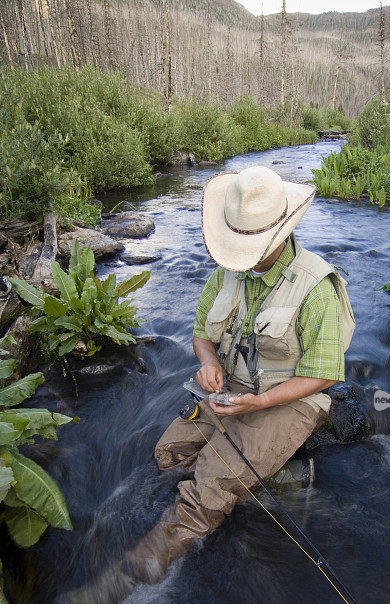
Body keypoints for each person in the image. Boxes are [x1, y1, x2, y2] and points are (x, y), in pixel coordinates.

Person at [126, 165, 355, 582]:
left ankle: (134, 572)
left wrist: (262, 402)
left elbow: (325, 376)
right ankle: (255, 485)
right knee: (168, 455)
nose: (238, 261)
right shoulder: (225, 274)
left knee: (212, 480)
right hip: (230, 389)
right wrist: (209, 363)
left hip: (292, 398)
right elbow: (200, 333)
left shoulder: (316, 288)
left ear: (280, 234)